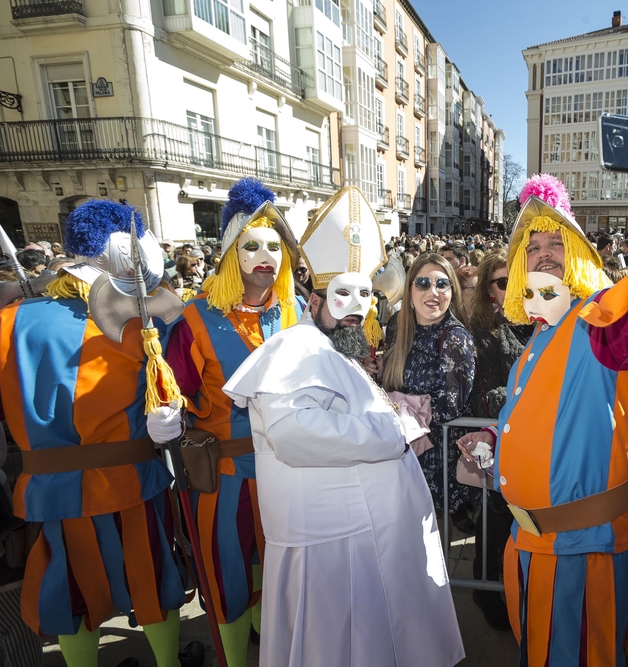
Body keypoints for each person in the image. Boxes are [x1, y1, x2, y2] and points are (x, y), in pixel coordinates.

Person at [458, 112, 628, 665]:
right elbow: (543, 415)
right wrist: (494, 437)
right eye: (531, 248)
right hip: (533, 545)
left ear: (579, 257)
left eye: (556, 244)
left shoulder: (598, 322)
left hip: (581, 555)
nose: (543, 254)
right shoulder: (539, 334)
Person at [221, 185, 464, 667]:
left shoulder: (336, 351)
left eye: (366, 296)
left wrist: (387, 409)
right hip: (333, 546)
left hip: (362, 540)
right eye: (342, 296)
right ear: (313, 301)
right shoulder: (294, 348)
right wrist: (390, 431)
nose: (357, 308)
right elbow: (294, 433)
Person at [0, 201, 201, 667]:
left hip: (52, 490)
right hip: (132, 482)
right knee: (154, 579)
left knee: (71, 594)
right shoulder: (143, 317)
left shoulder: (6, 322)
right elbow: (175, 391)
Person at [155, 178, 304, 667]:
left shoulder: (292, 310)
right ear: (228, 255)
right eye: (251, 246)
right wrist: (164, 418)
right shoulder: (195, 319)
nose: (266, 256)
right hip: (224, 479)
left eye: (274, 246)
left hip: (287, 472)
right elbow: (173, 392)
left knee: (283, 570)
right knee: (228, 578)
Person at [382, 253, 476, 532]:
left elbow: (451, 406)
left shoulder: (455, 337)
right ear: (410, 290)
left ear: (451, 292)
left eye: (441, 284)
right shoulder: (399, 326)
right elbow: (392, 383)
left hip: (435, 461)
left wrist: (398, 405)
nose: (432, 292)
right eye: (423, 283)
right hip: (399, 453)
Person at [464, 250, 533, 630]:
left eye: (517, 281)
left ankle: (519, 591)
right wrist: (531, 394)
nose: (512, 289)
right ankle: (489, 594)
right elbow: (480, 393)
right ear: (489, 289)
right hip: (495, 440)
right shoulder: (481, 330)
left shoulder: (537, 323)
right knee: (493, 523)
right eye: (504, 282)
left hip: (532, 444)